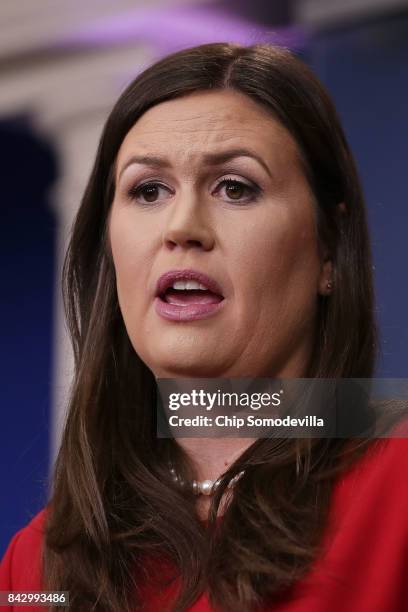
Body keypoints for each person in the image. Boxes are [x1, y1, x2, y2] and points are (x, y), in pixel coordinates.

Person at [1, 42, 407, 612]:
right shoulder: (37, 566)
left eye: (235, 187)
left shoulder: (398, 483)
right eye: (148, 190)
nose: (182, 226)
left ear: (328, 251)